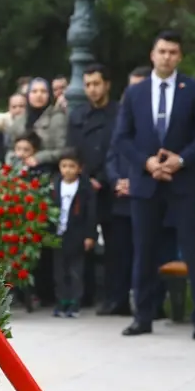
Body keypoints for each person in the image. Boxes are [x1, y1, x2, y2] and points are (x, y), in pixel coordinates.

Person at [111, 30, 195, 341]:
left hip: (184, 181)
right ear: (152, 55)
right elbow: (122, 138)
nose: (167, 56)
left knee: (194, 250)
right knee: (143, 249)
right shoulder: (135, 93)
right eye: (162, 51)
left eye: (173, 52)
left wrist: (180, 160)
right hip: (146, 182)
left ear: (180, 57)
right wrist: (148, 163)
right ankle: (142, 317)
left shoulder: (193, 91)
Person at [67, 64, 118, 310]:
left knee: (114, 244)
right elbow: (73, 150)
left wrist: (105, 178)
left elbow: (119, 149)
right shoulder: (78, 115)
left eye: (96, 84)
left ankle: (112, 296)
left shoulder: (119, 113)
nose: (92, 89)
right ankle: (82, 294)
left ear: (107, 84)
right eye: (87, 85)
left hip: (111, 186)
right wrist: (85, 178)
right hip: (84, 186)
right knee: (80, 240)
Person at [101, 66, 150, 317]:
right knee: (118, 253)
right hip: (120, 198)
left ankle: (147, 304)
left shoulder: (155, 121)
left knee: (145, 252)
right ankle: (117, 300)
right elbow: (112, 155)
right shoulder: (121, 119)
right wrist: (115, 180)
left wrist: (134, 181)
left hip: (145, 195)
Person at [51, 149, 97, 317]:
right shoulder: (55, 184)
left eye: (72, 166)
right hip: (58, 234)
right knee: (59, 271)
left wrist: (90, 235)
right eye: (64, 166)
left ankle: (74, 303)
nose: (67, 170)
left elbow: (91, 213)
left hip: (77, 234)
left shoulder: (85, 187)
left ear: (79, 168)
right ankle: (61, 302)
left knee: (76, 271)